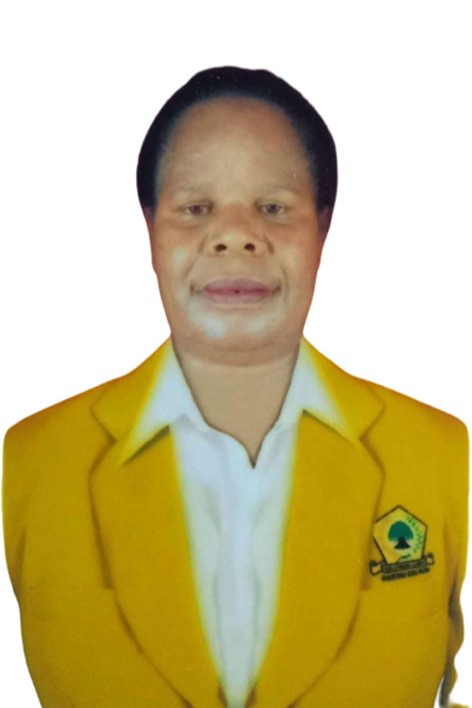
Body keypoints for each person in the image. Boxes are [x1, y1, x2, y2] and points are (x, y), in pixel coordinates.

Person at [3, 66, 468, 707]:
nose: (235, 236)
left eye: (273, 207)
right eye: (196, 209)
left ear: (323, 227)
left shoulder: (442, 456)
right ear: (150, 227)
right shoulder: (31, 462)